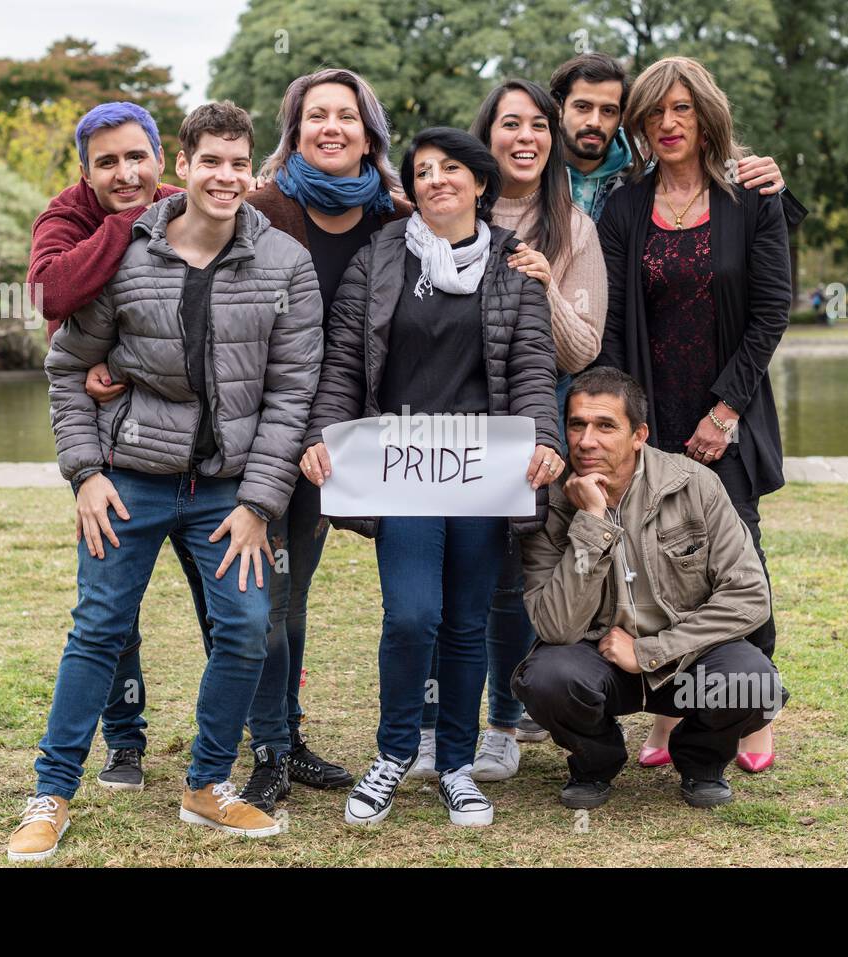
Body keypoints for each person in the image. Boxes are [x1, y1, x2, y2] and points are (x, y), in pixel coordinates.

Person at [6, 101, 323, 860]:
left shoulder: (287, 264)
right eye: (210, 160)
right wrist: (84, 473)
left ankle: (206, 784)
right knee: (99, 628)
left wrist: (258, 503)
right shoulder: (124, 255)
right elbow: (66, 368)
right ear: (182, 167)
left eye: (239, 163)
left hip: (227, 488)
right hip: (131, 478)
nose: (225, 175)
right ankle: (51, 791)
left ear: (254, 171)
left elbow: (291, 396)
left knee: (249, 626)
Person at [299, 127, 562, 827]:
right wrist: (322, 433)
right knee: (413, 613)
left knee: (468, 623)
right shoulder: (379, 256)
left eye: (452, 169)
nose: (436, 180)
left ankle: (455, 765)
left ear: (481, 183)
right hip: (403, 464)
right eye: (422, 171)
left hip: (484, 469)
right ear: (410, 187)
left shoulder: (515, 264)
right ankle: (391, 754)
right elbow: (344, 361)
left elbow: (536, 365)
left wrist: (547, 438)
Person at [593, 56, 793, 773]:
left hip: (726, 415)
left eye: (681, 109)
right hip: (652, 410)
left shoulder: (753, 198)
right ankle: (671, 708)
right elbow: (614, 323)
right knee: (650, 565)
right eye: (653, 113)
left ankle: (751, 711)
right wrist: (627, 422)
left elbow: (771, 309)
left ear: (706, 114)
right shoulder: (623, 205)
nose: (668, 124)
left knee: (738, 562)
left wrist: (726, 408)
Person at [231, 68, 414, 812]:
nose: (330, 127)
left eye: (346, 115)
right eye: (316, 116)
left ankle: (299, 735)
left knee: (319, 595)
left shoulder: (400, 219)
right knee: (272, 594)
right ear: (295, 130)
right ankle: (273, 746)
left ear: (370, 132)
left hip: (360, 438)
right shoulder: (261, 209)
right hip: (273, 432)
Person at [415, 79, 607, 782]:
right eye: (509, 124)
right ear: (485, 135)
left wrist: (543, 284)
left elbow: (583, 348)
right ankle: (435, 723)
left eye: (538, 126)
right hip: (440, 425)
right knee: (435, 578)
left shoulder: (572, 226)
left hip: (524, 422)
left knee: (506, 578)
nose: (525, 137)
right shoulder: (445, 203)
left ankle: (501, 723)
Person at [514, 367, 788, 809]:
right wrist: (593, 522)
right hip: (595, 660)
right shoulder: (551, 503)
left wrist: (651, 651)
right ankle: (595, 761)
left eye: (605, 426)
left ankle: (701, 761)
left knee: (755, 682)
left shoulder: (695, 484)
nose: (586, 441)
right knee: (547, 678)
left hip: (686, 658)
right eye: (576, 425)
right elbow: (555, 626)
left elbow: (749, 596)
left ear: (639, 434)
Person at [25, 102, 198, 793]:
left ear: (160, 156)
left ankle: (259, 737)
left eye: (137, 157)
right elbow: (50, 291)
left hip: (194, 441)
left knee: (231, 602)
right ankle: (124, 740)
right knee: (111, 607)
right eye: (108, 163)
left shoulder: (196, 205)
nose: (125, 173)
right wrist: (135, 222)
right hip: (103, 443)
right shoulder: (66, 217)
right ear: (85, 171)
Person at [548, 52, 802, 225]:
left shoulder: (638, 177)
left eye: (608, 111)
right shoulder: (533, 170)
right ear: (559, 107)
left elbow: (774, 226)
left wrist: (777, 190)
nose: (594, 121)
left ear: (622, 117)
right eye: (582, 107)